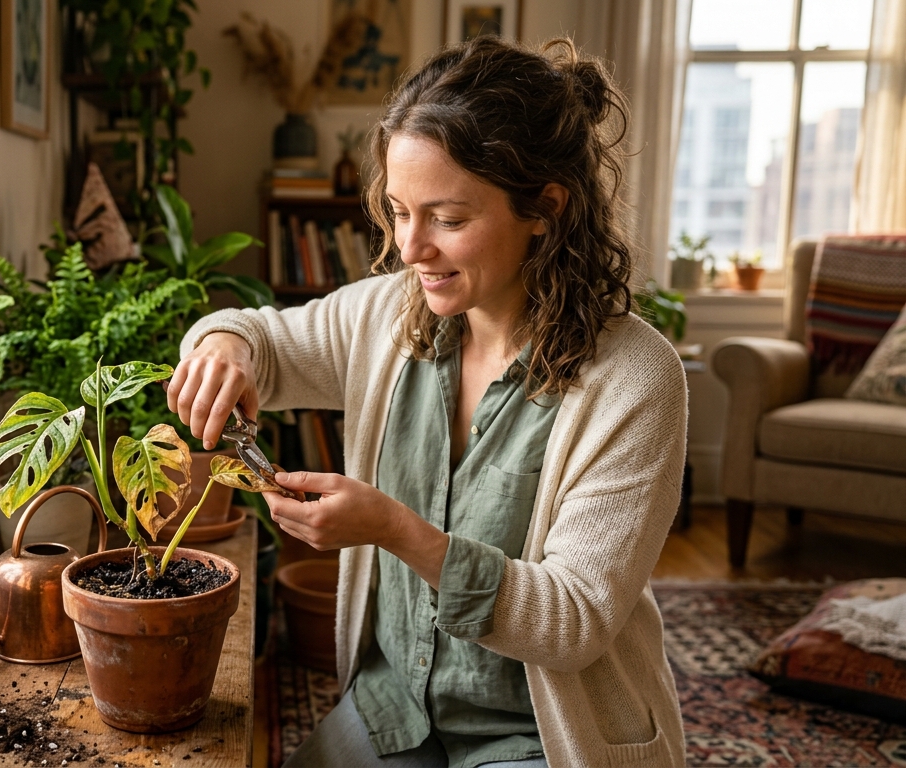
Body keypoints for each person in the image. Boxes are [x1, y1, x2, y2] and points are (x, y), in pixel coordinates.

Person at [167, 36, 687, 768]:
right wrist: (223, 347)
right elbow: (257, 335)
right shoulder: (388, 316)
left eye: (447, 219)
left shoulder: (635, 378)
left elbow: (573, 620)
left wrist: (395, 531)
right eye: (398, 210)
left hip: (542, 738)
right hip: (397, 708)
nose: (410, 249)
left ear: (544, 208)